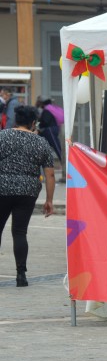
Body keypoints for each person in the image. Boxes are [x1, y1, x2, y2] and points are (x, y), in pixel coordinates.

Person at [0, 105, 55, 287]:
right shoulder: (41, 143)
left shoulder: (2, 137)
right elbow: (50, 174)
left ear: (16, 120)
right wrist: (49, 200)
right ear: (33, 123)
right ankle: (21, 275)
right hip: (28, 191)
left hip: (2, 188)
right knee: (19, 231)